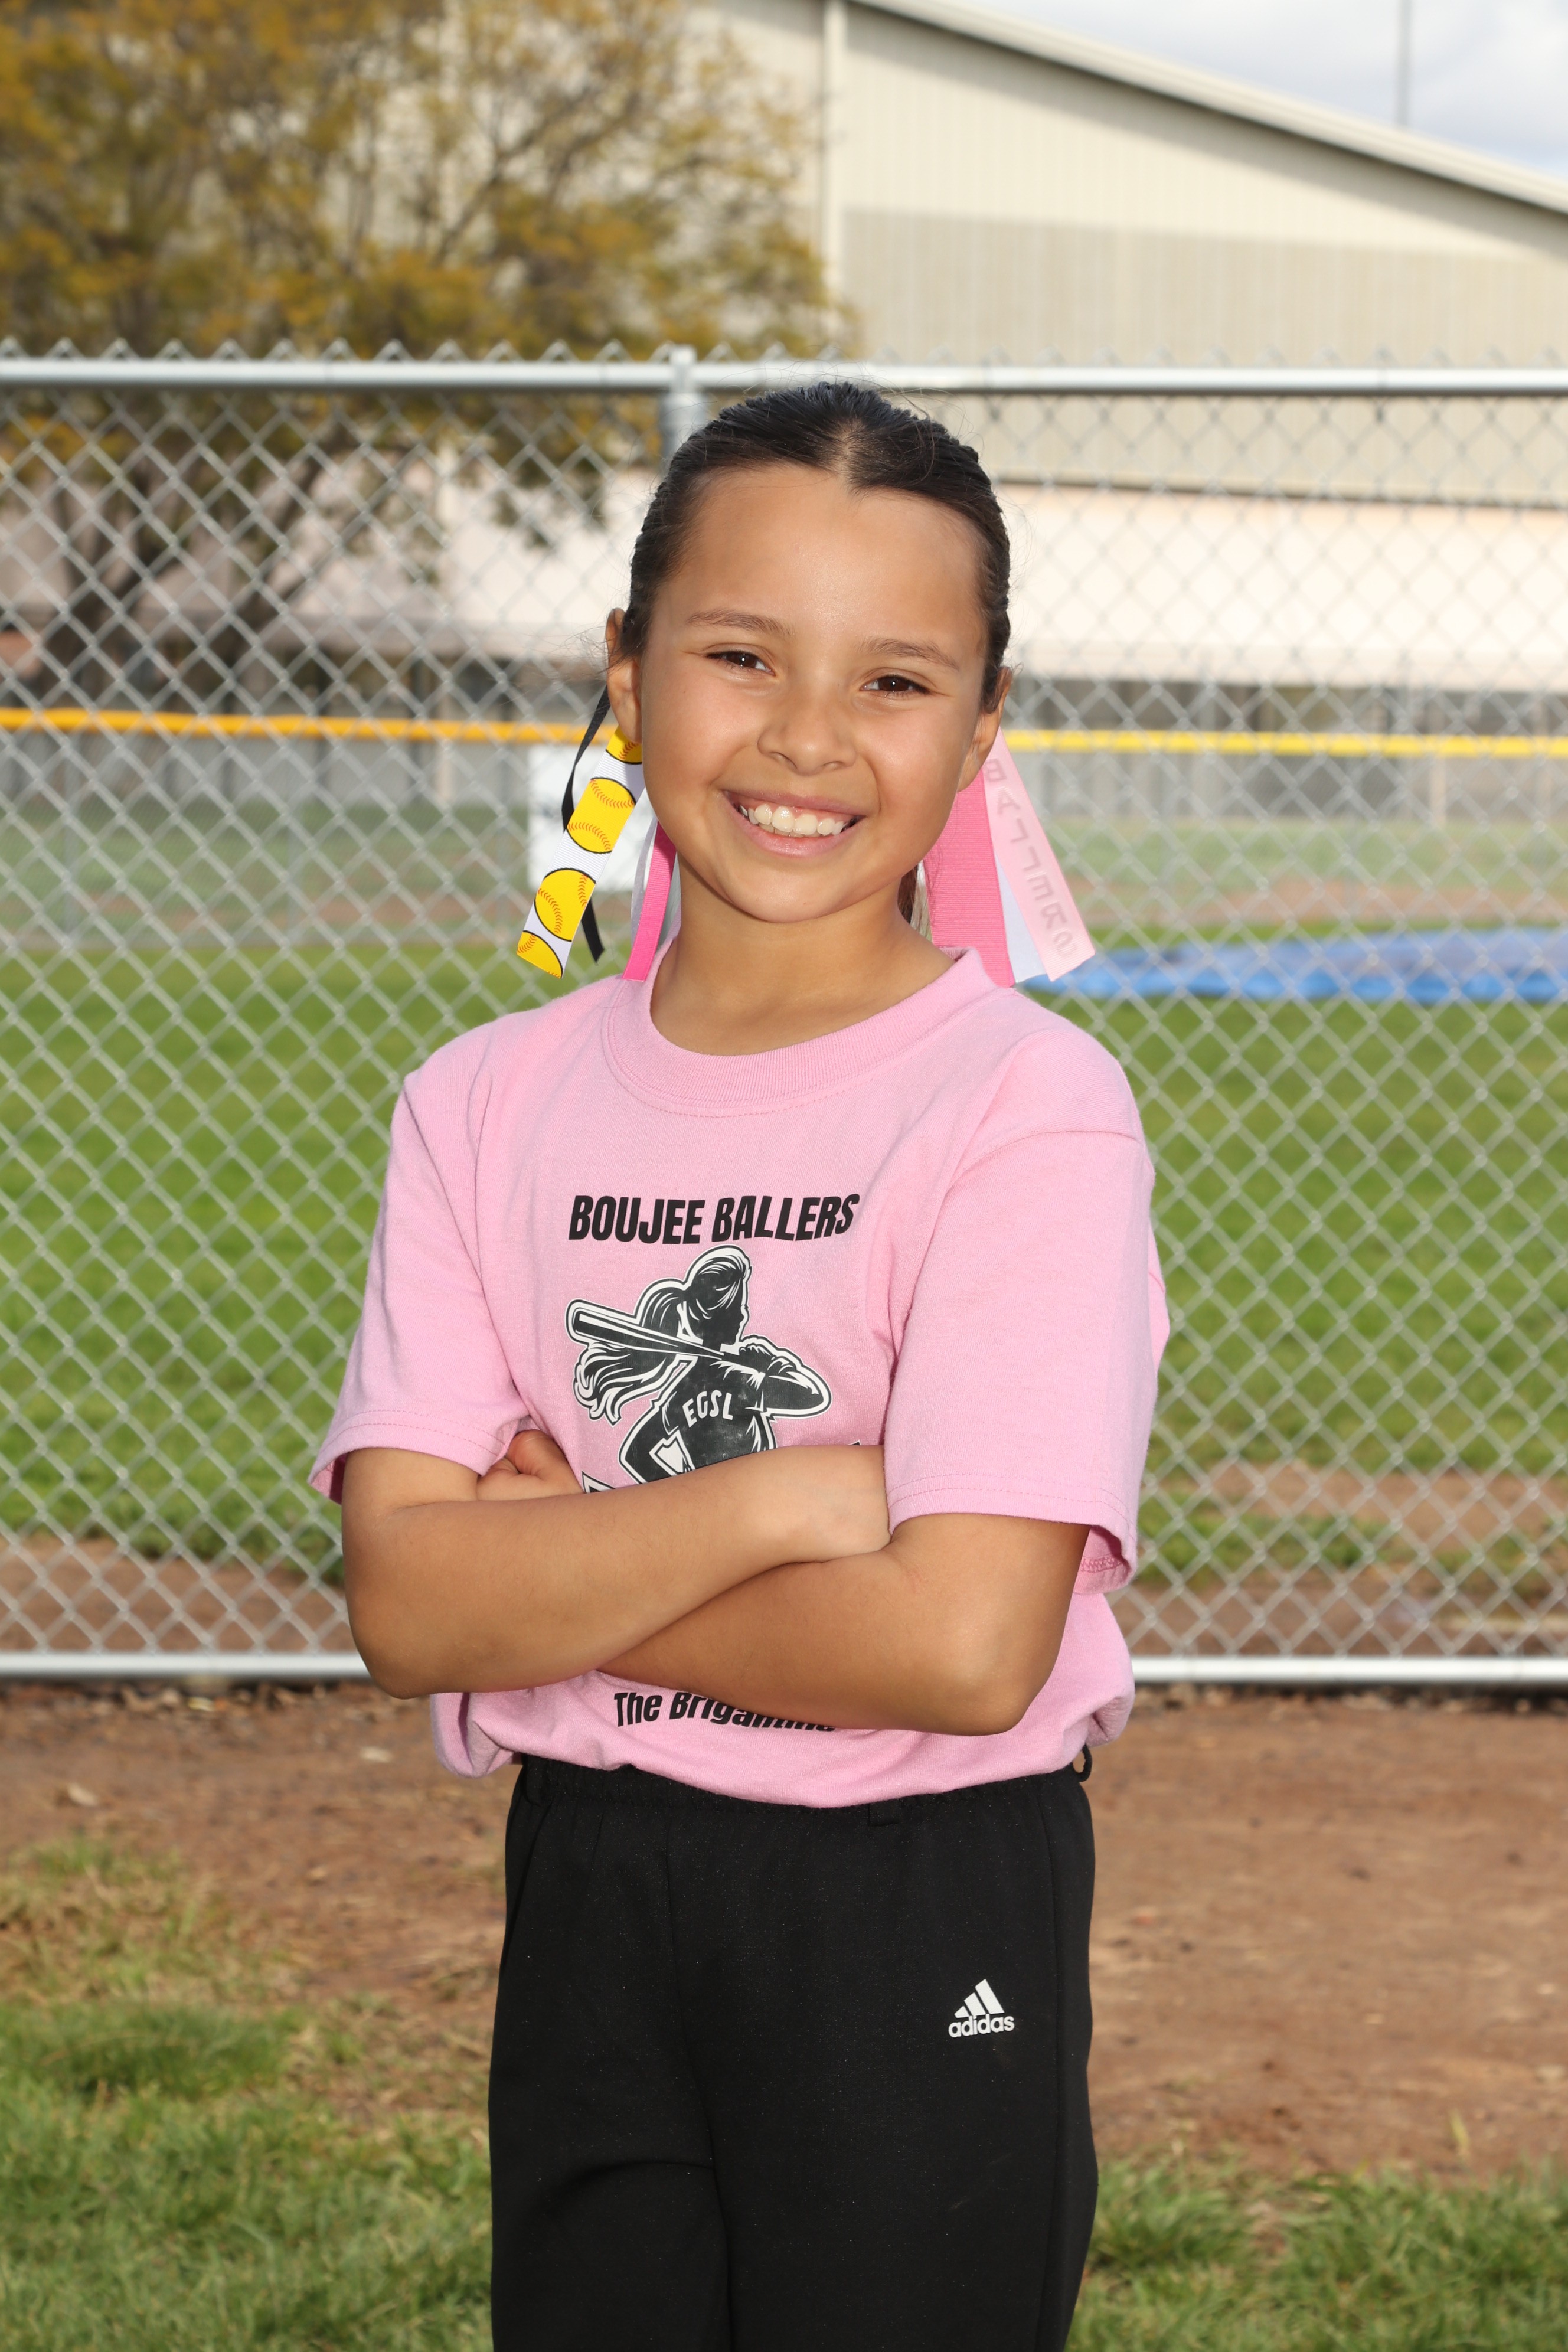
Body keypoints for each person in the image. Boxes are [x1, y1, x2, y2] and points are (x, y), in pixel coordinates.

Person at [312, 383, 1167, 2352]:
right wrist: (789, 1500)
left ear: (982, 728)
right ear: (627, 674)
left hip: (917, 1889)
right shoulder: (479, 1103)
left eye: (894, 680)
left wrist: (560, 1573)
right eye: (741, 655)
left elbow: (964, 1648)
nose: (806, 737)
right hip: (598, 1879)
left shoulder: (1026, 1108)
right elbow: (408, 1604)